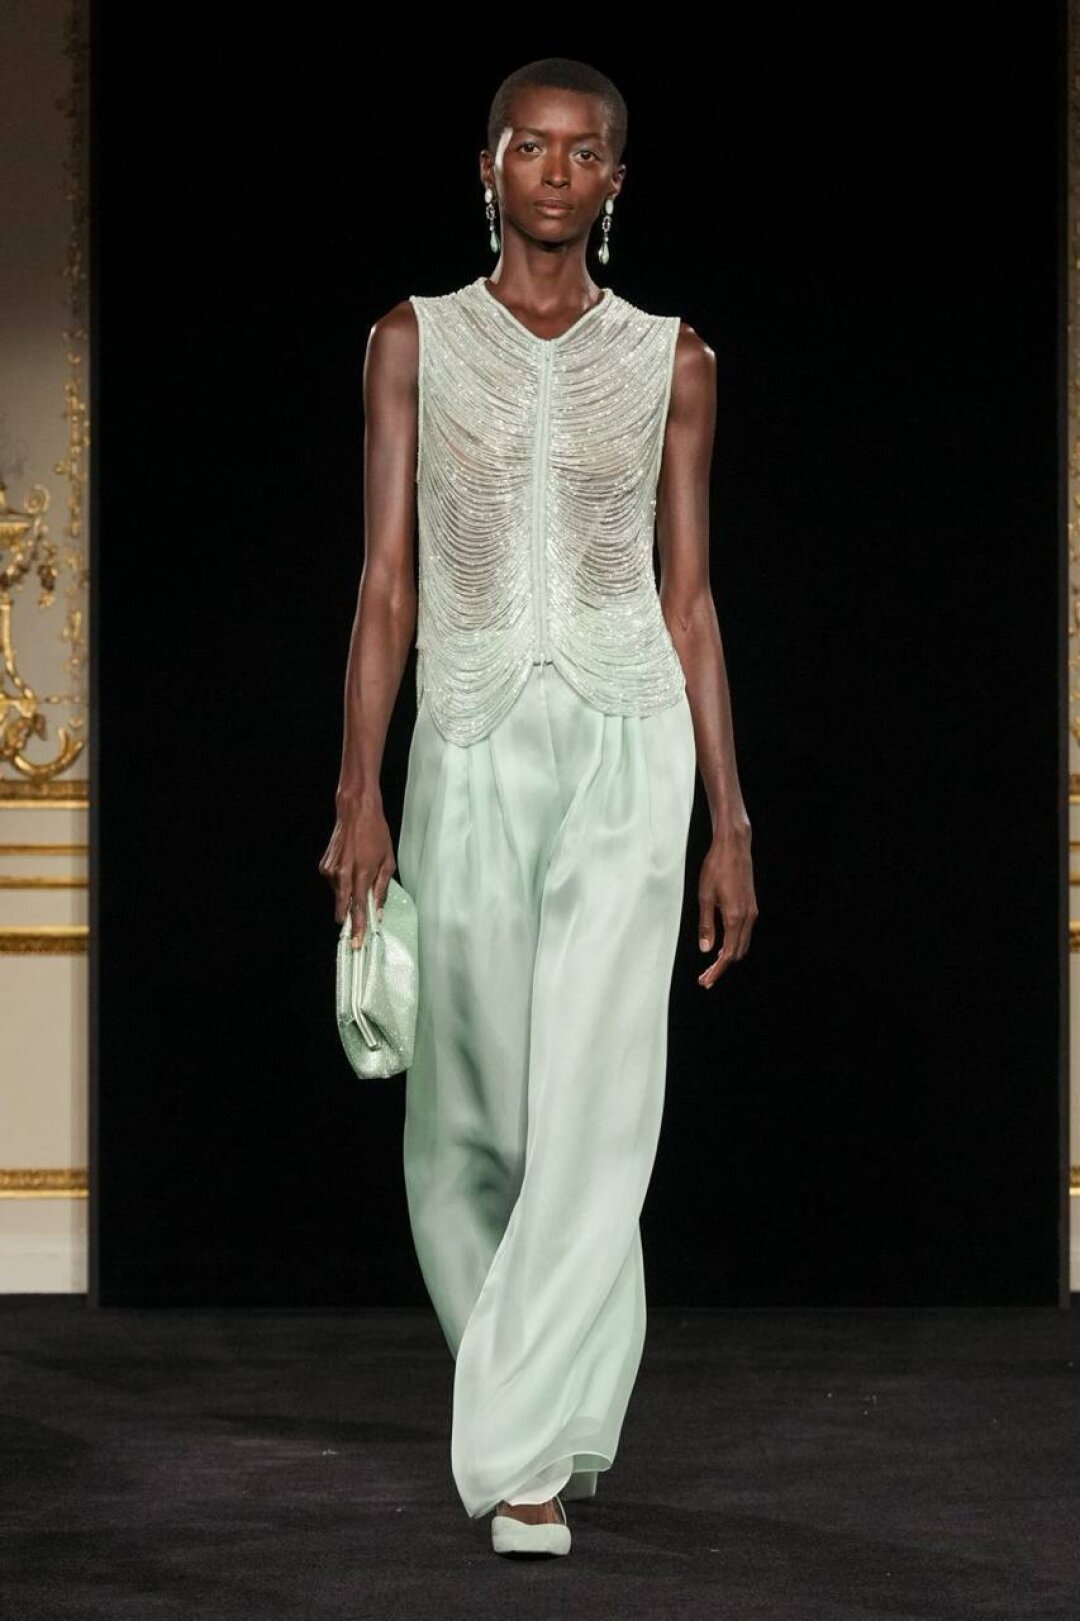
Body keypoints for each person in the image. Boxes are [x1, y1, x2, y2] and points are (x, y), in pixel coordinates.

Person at [319, 56, 757, 1559]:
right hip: (471, 731)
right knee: (468, 1116)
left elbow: (690, 600)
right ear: (489, 166)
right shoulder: (413, 340)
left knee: (597, 1101)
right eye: (531, 147)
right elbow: (387, 583)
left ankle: (520, 1464)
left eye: (584, 153)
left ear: (616, 180)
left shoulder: (676, 358)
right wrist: (359, 788)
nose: (556, 172)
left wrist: (730, 822)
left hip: (632, 739)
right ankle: (548, 1402)